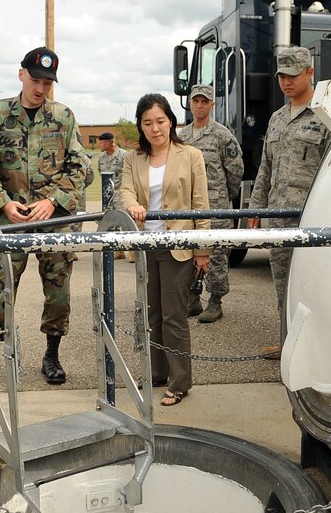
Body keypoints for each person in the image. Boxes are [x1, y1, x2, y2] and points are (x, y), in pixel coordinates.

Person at [0, 46, 86, 385]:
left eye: (47, 83)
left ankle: (52, 354)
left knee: (58, 289)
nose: (40, 88)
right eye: (35, 79)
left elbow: (80, 166)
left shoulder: (63, 117)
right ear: (21, 74)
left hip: (53, 220)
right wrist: (3, 203)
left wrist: (53, 201)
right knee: (1, 284)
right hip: (11, 218)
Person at [121, 94, 211, 406]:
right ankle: (156, 373)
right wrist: (131, 203)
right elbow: (125, 189)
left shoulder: (191, 155)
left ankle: (180, 381)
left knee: (174, 316)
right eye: (148, 123)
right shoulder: (133, 158)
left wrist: (203, 249)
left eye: (160, 121)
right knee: (151, 314)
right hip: (147, 246)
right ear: (140, 126)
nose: (155, 128)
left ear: (170, 121)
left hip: (179, 246)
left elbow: (201, 203)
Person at [247, 47, 329, 360]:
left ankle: (315, 348)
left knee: (312, 286)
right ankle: (287, 343)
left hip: (311, 220)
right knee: (283, 285)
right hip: (278, 219)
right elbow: (265, 168)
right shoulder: (277, 118)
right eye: (282, 76)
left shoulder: (324, 116)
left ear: (310, 73)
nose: (286, 82)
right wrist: (256, 209)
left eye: (293, 75)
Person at [179, 84, 244, 323]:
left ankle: (215, 302)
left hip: (215, 206)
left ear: (211, 105)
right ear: (190, 103)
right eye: (195, 101)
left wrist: (225, 196)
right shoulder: (182, 136)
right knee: (188, 254)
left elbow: (235, 170)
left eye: (204, 101)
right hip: (188, 209)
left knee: (216, 257)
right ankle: (193, 300)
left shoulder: (222, 134)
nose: (199, 105)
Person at [97, 131, 130, 260]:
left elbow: (128, 174)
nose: (99, 144)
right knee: (111, 221)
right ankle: (118, 250)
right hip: (108, 194)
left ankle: (133, 250)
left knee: (125, 220)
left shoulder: (123, 156)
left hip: (121, 192)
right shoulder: (102, 157)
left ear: (109, 143)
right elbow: (101, 172)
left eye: (101, 142)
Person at [70, 151, 95, 232]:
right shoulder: (83, 157)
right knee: (76, 228)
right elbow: (90, 177)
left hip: (56, 200)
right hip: (78, 198)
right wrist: (79, 188)